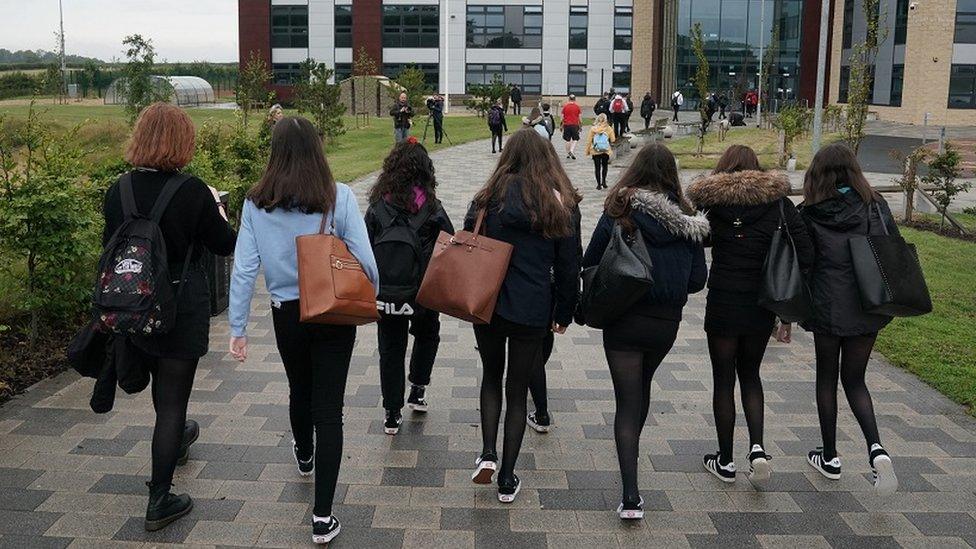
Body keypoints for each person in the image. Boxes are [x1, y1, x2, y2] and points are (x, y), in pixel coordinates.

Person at [229, 117, 379, 545]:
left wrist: (237, 327)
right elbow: (365, 259)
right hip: (332, 311)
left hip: (286, 313)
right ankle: (323, 515)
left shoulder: (257, 203)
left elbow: (243, 270)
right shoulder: (339, 197)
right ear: (317, 148)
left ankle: (304, 453)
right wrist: (372, 297)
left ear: (274, 152)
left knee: (299, 386)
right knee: (329, 408)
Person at [101, 103, 236, 531]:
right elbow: (223, 245)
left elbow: (110, 247)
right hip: (179, 307)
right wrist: (219, 213)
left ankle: (174, 441)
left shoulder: (117, 189)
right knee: (173, 400)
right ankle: (160, 498)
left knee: (166, 397)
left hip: (133, 307)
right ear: (182, 142)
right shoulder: (193, 191)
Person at [583, 143, 708, 520]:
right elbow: (697, 280)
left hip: (623, 317)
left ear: (635, 170)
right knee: (643, 389)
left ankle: (631, 496)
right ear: (672, 175)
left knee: (626, 400)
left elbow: (590, 261)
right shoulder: (688, 219)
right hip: (665, 324)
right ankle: (632, 452)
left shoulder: (620, 209)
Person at [687, 145, 814, 487]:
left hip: (724, 300)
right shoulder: (779, 206)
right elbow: (805, 251)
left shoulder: (712, 206)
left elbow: (697, 241)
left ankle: (725, 460)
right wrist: (787, 314)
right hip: (762, 302)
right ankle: (757, 448)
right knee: (751, 376)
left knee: (723, 379)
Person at [466, 129, 580, 504]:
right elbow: (569, 265)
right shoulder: (559, 202)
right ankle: (508, 477)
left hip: (487, 302)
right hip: (532, 307)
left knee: (490, 378)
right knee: (517, 393)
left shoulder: (487, 198)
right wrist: (565, 311)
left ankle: (486, 453)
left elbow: (469, 240)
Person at [799, 142, 900, 495]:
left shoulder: (810, 212)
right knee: (855, 380)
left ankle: (829, 456)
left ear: (818, 174)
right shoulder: (876, 206)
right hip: (868, 305)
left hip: (827, 305)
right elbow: (893, 249)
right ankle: (876, 449)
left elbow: (805, 264)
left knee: (827, 378)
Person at [365, 138, 455, 435]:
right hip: (423, 292)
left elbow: (365, 247)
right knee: (428, 335)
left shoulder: (379, 206)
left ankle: (392, 412)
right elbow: (450, 243)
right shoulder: (432, 207)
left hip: (388, 292)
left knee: (390, 348)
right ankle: (417, 386)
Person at [585, 113, 616, 190]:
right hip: (605, 150)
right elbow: (613, 140)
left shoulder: (593, 129)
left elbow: (589, 141)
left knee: (597, 167)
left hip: (595, 150)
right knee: (605, 166)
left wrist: (587, 151)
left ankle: (598, 184)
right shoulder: (609, 128)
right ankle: (604, 182)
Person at [561, 94, 583, 159]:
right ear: (575, 99)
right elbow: (580, 117)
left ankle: (568, 153)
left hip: (566, 125)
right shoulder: (577, 107)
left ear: (569, 99)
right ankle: (571, 150)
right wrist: (581, 125)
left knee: (567, 140)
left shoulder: (565, 107)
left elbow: (562, 117)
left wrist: (561, 125)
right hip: (575, 125)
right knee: (575, 139)